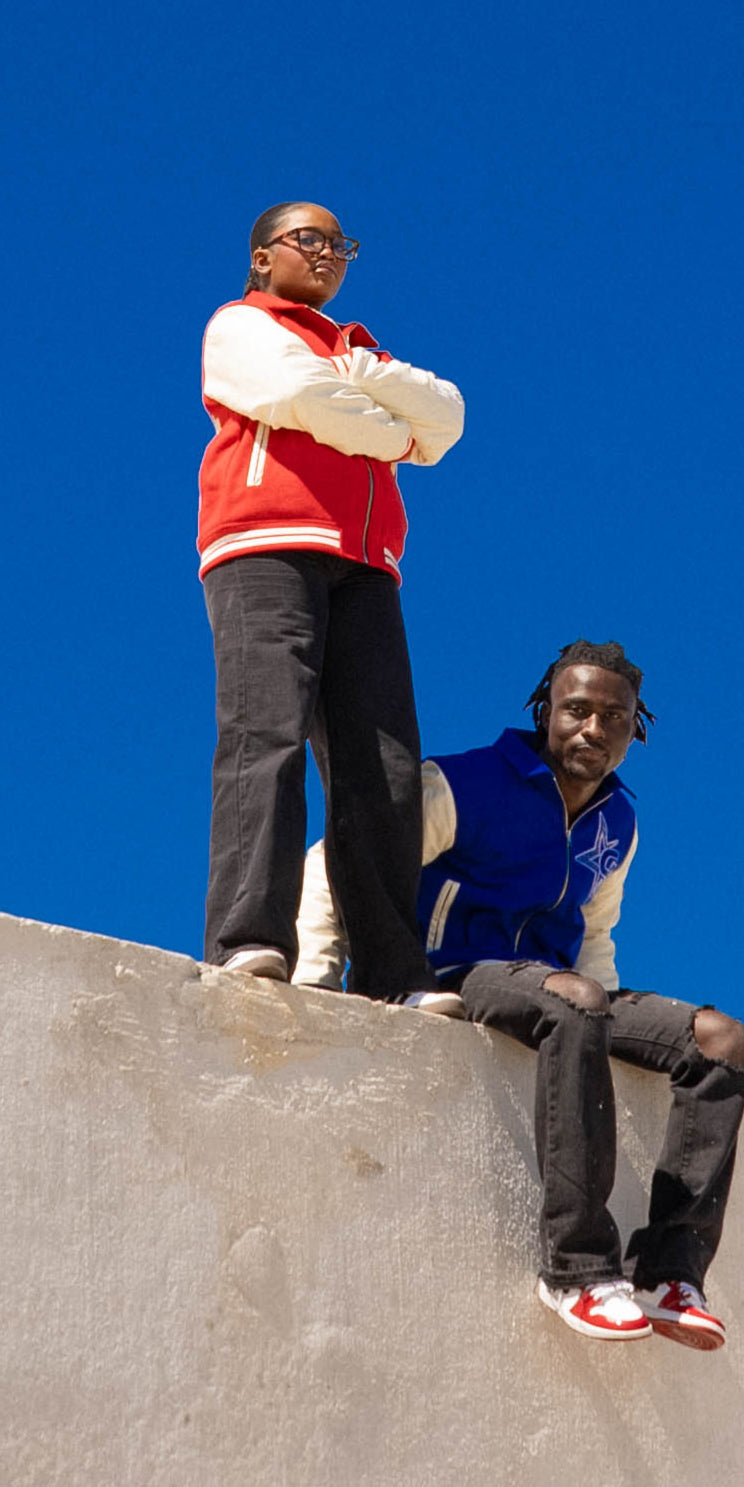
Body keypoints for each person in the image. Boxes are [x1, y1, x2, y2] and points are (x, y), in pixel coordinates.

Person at [295, 640, 744, 1349]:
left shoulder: (617, 822)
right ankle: (575, 1269)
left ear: (636, 730)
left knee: (722, 1040)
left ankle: (668, 1270)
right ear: (546, 711)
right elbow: (341, 858)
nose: (593, 729)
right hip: (450, 974)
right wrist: (318, 978)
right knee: (575, 997)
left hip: (562, 990)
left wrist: (606, 1011)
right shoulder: (465, 783)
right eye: (576, 709)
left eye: (615, 717)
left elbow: (594, 929)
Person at [198, 200, 464, 993]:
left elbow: (446, 419)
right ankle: (249, 937)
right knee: (266, 735)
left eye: (339, 244)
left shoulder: (359, 350)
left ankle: (390, 970)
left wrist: (373, 383)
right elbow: (297, 395)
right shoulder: (240, 326)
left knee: (383, 768)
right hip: (266, 545)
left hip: (368, 566)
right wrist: (392, 432)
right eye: (306, 239)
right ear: (260, 257)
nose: (326, 254)